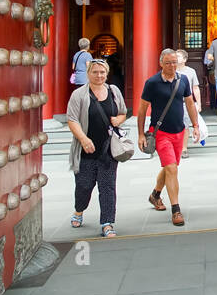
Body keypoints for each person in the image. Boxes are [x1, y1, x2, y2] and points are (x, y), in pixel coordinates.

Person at [138, 48, 202, 226]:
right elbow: (142, 109)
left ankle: (155, 194)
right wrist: (141, 134)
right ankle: (176, 210)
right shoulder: (152, 83)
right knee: (172, 169)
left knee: (169, 168)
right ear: (161, 63)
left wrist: (196, 126)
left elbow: (189, 103)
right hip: (161, 133)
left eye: (174, 62)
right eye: (168, 63)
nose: (172, 66)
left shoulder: (183, 80)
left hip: (179, 131)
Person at [65, 58, 128, 238]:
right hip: (86, 149)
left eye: (102, 72)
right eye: (95, 72)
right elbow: (72, 119)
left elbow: (123, 112)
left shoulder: (114, 91)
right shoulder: (79, 94)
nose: (99, 75)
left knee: (108, 187)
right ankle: (79, 209)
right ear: (88, 73)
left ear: (106, 73)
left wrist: (119, 120)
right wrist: (83, 139)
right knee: (84, 185)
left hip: (108, 149)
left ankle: (107, 222)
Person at [175, 49, 206, 158]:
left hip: (186, 103)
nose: (176, 58)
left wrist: (199, 104)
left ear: (184, 59)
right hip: (173, 103)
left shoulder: (191, 71)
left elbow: (195, 88)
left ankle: (184, 149)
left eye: (178, 56)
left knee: (185, 126)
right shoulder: (170, 70)